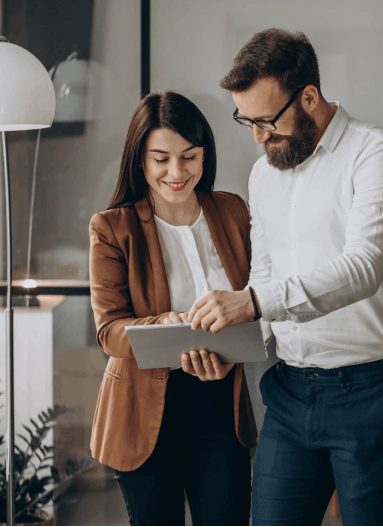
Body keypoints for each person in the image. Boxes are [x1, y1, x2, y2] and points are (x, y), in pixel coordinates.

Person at [186, 28, 383, 526]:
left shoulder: (378, 155)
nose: (257, 136)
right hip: (291, 394)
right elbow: (266, 271)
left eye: (265, 120)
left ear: (310, 97)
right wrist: (229, 343)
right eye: (245, 121)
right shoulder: (265, 173)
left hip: (374, 391)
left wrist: (252, 303)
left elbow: (362, 268)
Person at [88, 91, 257, 526]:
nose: (177, 172)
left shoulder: (233, 211)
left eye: (189, 156)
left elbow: (260, 299)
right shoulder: (113, 227)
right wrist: (164, 323)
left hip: (222, 406)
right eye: (160, 159)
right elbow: (109, 332)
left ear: (205, 155)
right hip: (143, 413)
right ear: (139, 160)